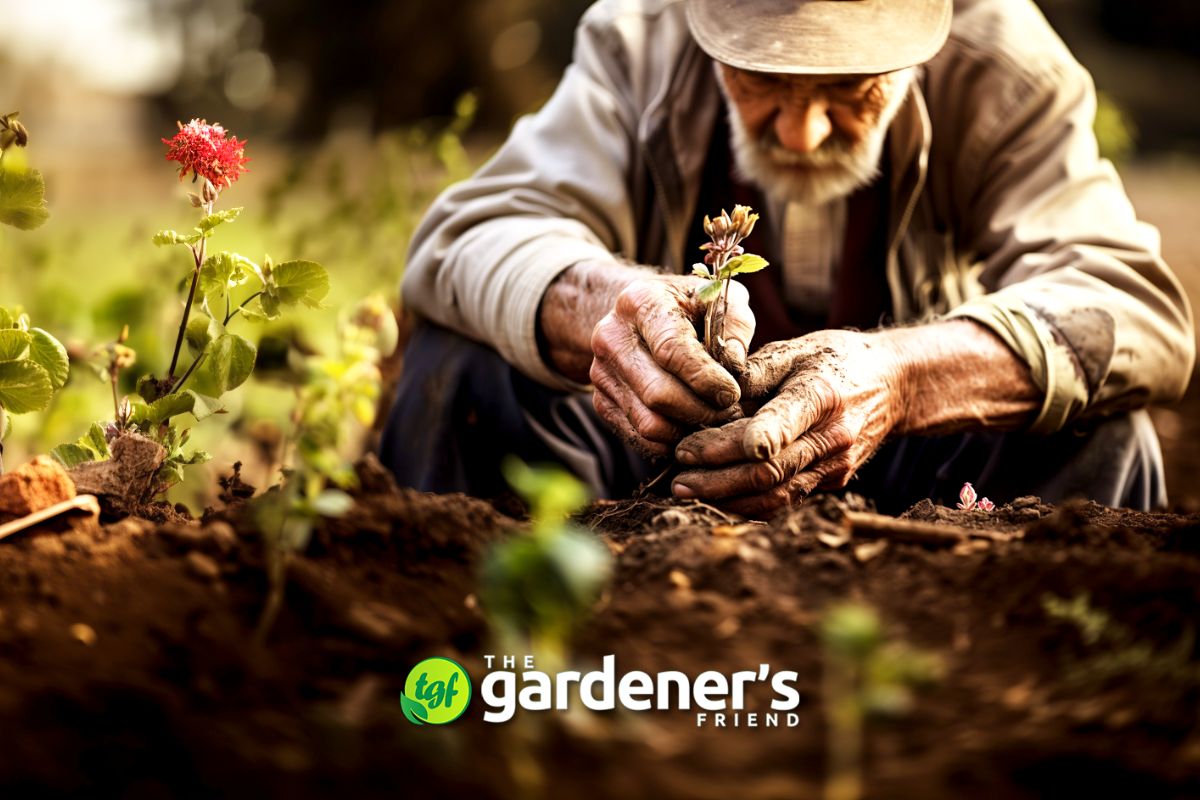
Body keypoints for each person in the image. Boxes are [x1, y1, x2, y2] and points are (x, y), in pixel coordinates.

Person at [380, 0, 1195, 515]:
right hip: (661, 458)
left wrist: (903, 378)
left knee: (1105, 428)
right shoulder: (642, 38)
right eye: (759, 79)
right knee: (465, 358)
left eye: (853, 88)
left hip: (920, 474)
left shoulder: (1005, 64)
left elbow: (1135, 310)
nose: (801, 133)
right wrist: (608, 308)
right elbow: (470, 234)